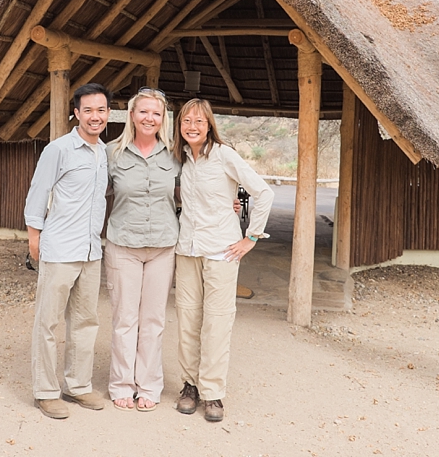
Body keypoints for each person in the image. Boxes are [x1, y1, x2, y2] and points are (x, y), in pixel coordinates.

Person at [172, 98, 274, 423]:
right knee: (188, 321)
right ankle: (190, 386)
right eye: (186, 120)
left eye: (199, 121)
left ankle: (212, 392)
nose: (192, 126)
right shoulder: (181, 158)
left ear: (209, 124)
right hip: (187, 250)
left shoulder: (224, 154)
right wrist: (233, 202)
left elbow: (262, 192)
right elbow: (190, 196)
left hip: (222, 251)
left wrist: (251, 236)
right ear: (179, 125)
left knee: (216, 323)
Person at [23, 82, 112, 420]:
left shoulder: (104, 153)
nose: (95, 116)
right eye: (88, 110)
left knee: (86, 321)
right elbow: (37, 192)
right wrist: (35, 237)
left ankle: (77, 385)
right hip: (59, 248)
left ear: (108, 114)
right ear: (76, 113)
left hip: (91, 251)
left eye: (101, 110)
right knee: (48, 322)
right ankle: (45, 392)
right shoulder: (58, 149)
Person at [104, 87, 180, 412]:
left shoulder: (175, 155)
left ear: (163, 119)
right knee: (125, 318)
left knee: (153, 319)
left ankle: (148, 385)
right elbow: (92, 193)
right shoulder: (111, 153)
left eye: (156, 113)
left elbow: (188, 194)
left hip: (163, 246)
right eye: (144, 111)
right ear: (132, 115)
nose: (149, 118)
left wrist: (226, 204)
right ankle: (122, 383)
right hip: (123, 245)